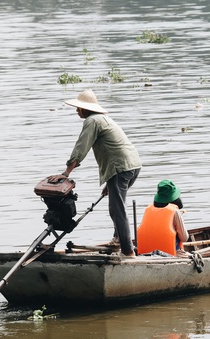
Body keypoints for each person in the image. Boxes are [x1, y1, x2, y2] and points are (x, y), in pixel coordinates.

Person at [48, 89, 142, 257]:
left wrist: (67, 172)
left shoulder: (92, 121)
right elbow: (114, 149)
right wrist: (110, 183)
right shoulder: (102, 119)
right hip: (132, 165)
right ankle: (119, 239)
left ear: (86, 109)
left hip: (121, 168)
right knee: (117, 206)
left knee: (117, 208)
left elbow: (81, 146)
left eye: (79, 108)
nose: (77, 111)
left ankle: (127, 251)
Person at [137, 179, 189, 257]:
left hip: (146, 253)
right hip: (171, 254)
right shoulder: (175, 211)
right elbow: (184, 238)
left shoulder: (148, 209)